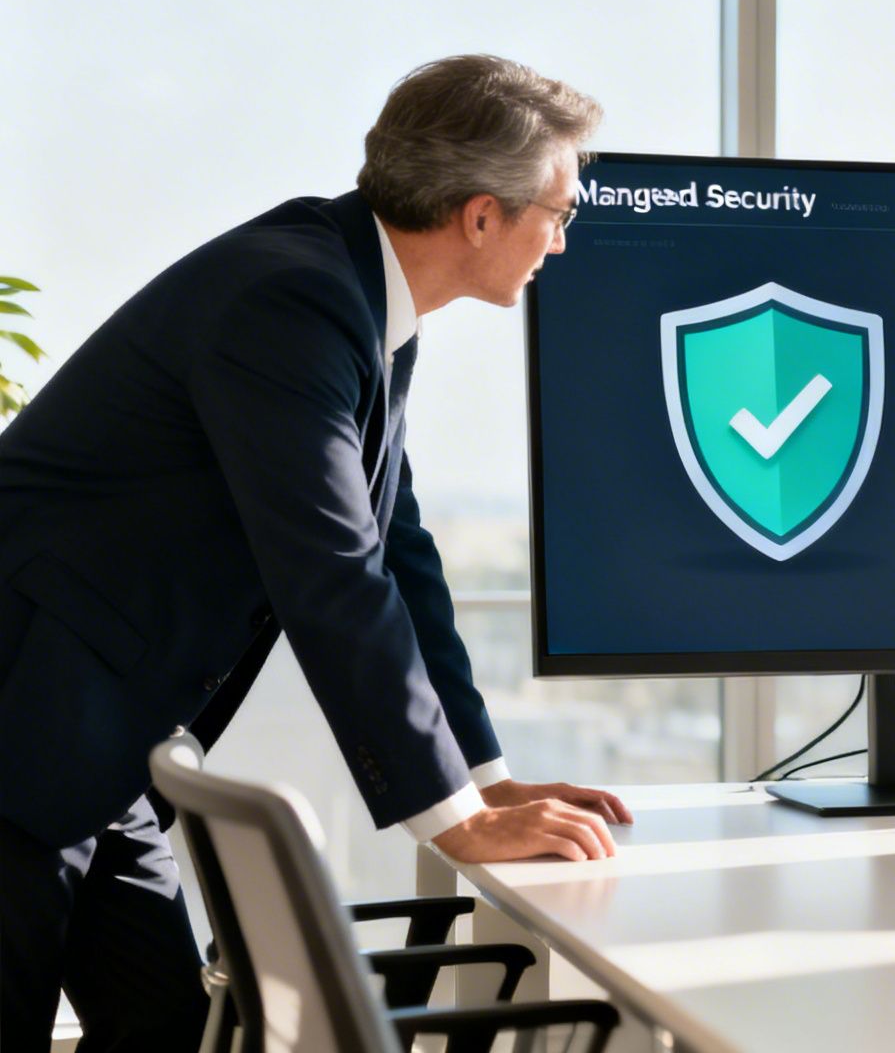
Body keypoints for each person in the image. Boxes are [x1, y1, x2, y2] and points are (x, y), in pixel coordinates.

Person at [0, 55, 634, 1051]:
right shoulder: (292, 300)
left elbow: (397, 554)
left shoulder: (362, 301)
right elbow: (333, 573)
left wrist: (482, 776)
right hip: (23, 714)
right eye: (558, 213)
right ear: (480, 216)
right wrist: (455, 822)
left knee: (165, 1028)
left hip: (93, 736)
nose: (561, 239)